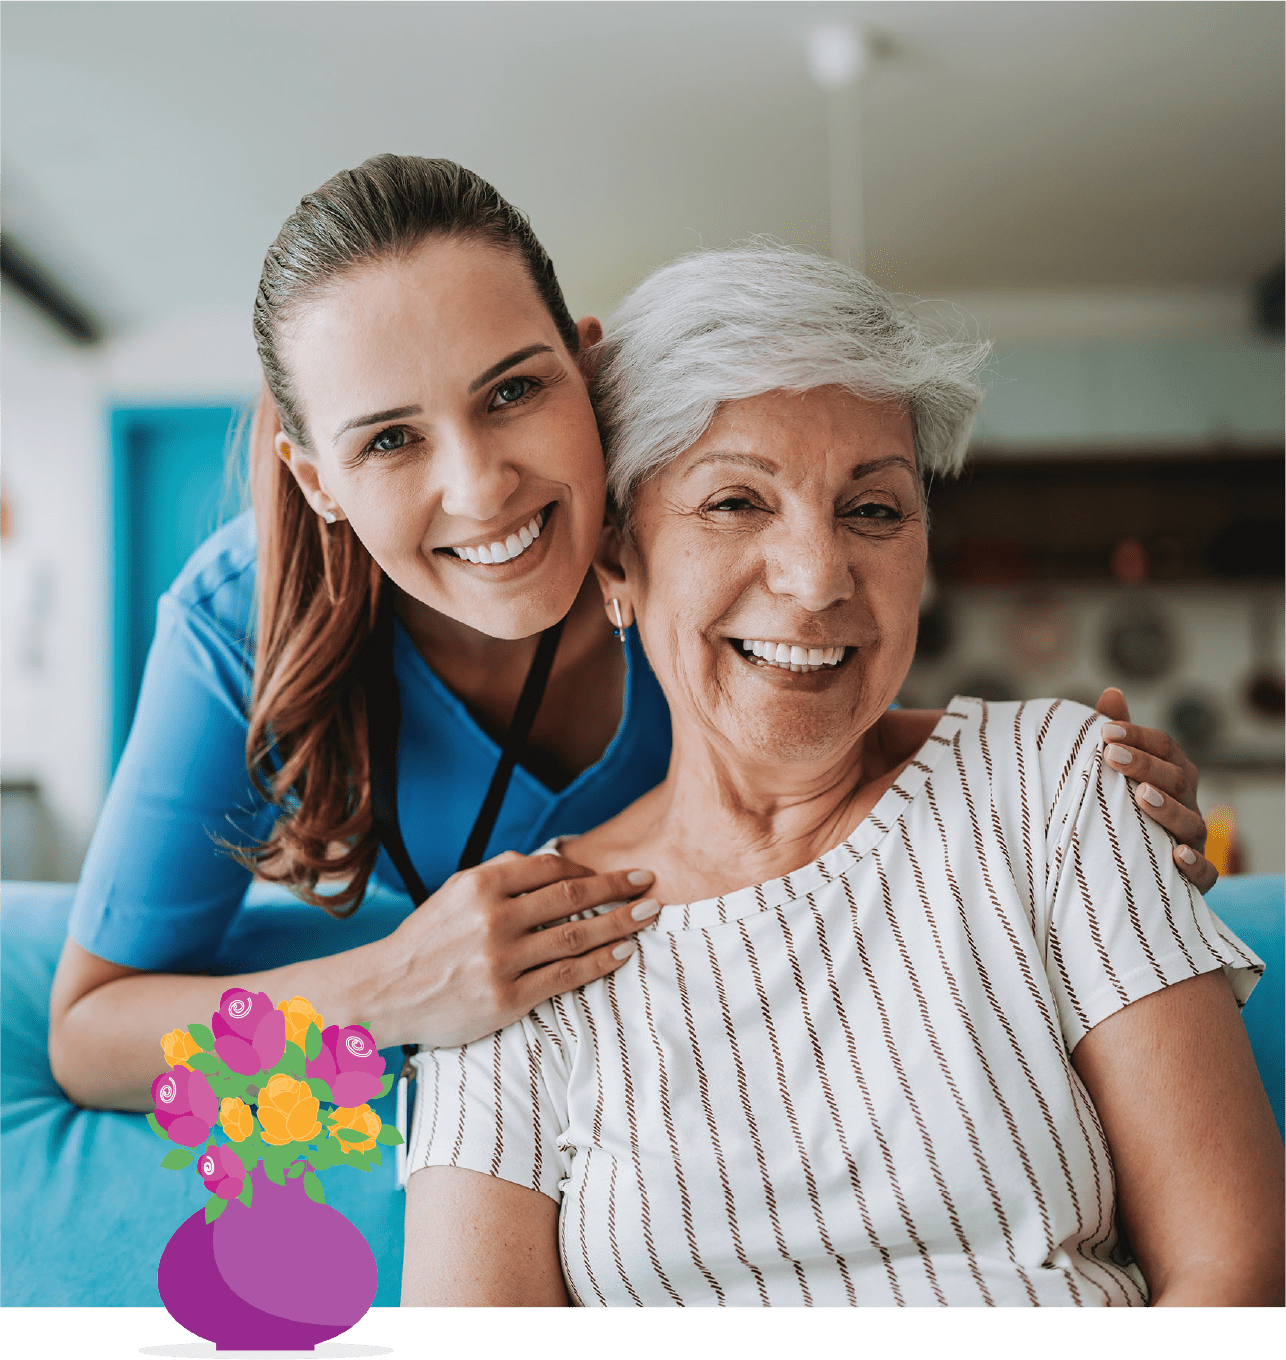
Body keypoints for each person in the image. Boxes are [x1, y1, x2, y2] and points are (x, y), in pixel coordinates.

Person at [49, 156, 1216, 1112]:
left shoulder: (683, 533)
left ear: (585, 364)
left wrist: (1055, 781)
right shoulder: (237, 619)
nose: (482, 488)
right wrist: (391, 988)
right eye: (388, 441)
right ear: (317, 482)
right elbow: (92, 1033)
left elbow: (810, 719)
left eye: (512, 391)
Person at [401, 245, 1284, 1308]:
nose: (818, 579)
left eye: (873, 510)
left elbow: (1233, 1270)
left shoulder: (1055, 788)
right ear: (616, 561)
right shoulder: (514, 950)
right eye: (734, 501)